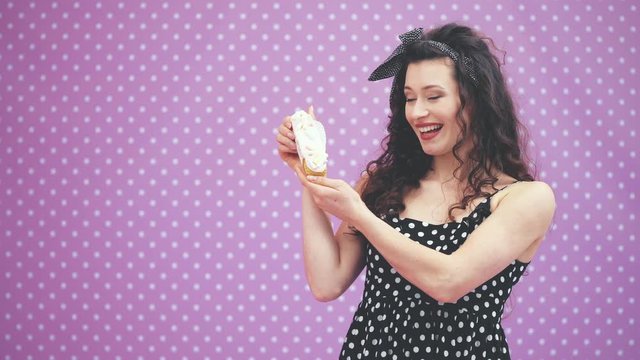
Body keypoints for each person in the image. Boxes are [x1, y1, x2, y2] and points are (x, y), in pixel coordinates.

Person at [275, 23, 555, 360]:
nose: (417, 112)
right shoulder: (384, 184)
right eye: (409, 98)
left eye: (434, 96)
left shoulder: (525, 198)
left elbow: (448, 282)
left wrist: (360, 216)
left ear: (476, 101)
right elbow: (326, 283)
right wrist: (308, 169)